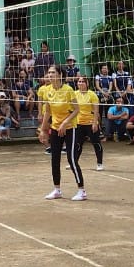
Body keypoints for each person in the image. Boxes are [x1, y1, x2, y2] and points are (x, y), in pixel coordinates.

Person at [37, 65, 86, 201]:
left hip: (70, 127)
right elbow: (47, 111)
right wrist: (43, 129)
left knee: (71, 159)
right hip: (55, 127)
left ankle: (81, 190)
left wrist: (65, 123)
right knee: (55, 158)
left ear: (60, 75)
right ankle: (57, 190)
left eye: (53, 72)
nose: (50, 75)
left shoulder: (68, 90)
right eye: (49, 73)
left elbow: (77, 110)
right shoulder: (47, 90)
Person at [74, 76, 104, 170]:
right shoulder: (74, 94)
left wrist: (95, 123)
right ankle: (74, 162)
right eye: (79, 81)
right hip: (79, 123)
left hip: (90, 122)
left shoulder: (92, 94)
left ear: (87, 84)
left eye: (83, 81)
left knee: (96, 143)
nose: (81, 83)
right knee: (78, 144)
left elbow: (96, 111)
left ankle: (99, 163)